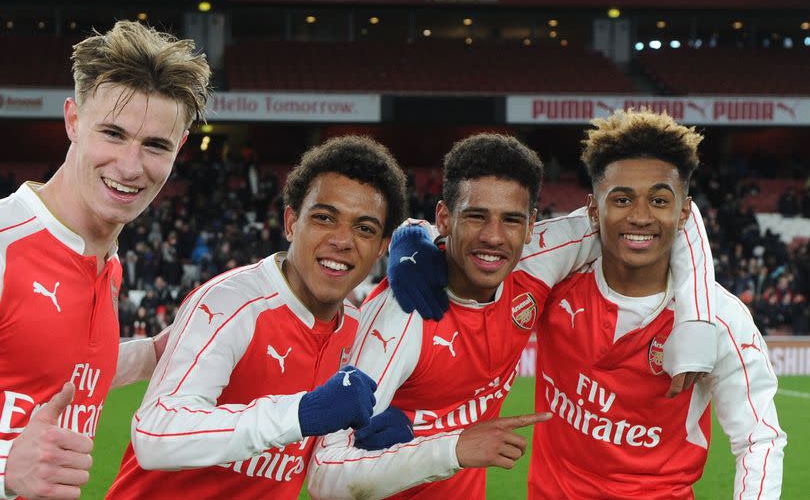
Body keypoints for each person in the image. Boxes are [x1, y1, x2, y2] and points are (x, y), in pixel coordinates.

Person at [307, 132, 715, 499]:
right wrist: (450, 449)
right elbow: (324, 475)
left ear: (532, 226)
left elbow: (660, 213)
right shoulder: (404, 315)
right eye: (475, 216)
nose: (493, 237)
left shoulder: (533, 263)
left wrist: (413, 230)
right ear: (446, 217)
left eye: (512, 220)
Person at [105, 135, 410, 499]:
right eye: (325, 218)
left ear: (381, 248)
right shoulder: (231, 303)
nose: (342, 240)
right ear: (291, 222)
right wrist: (301, 413)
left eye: (364, 228)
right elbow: (156, 435)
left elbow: (316, 477)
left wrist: (366, 452)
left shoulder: (360, 336)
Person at [0, 20, 211, 500]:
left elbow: (59, 366)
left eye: (155, 144)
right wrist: (6, 473)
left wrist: (157, 352)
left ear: (178, 149)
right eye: (112, 134)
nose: (131, 166)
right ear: (73, 121)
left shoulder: (104, 261)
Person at [527, 109, 785, 498]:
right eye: (623, 198)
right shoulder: (555, 285)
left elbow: (758, 440)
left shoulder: (721, 317)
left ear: (684, 212)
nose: (641, 216)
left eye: (660, 200)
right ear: (593, 210)